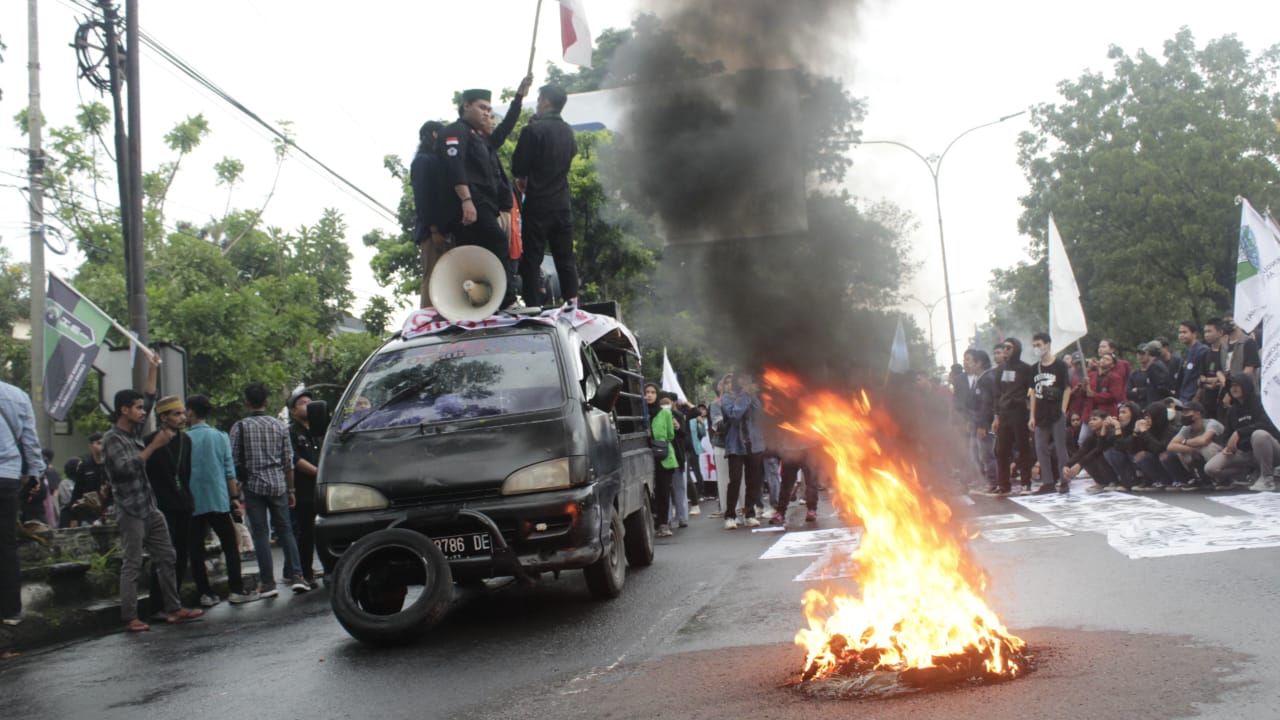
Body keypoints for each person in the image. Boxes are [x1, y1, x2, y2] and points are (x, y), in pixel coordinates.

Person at [101, 352, 204, 631]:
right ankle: (130, 616)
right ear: (124, 410)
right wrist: (154, 446)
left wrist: (153, 368)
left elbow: (149, 395)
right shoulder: (112, 439)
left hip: (149, 505)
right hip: (130, 508)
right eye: (136, 408)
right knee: (132, 563)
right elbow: (125, 470)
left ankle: (174, 607)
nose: (142, 411)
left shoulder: (133, 433)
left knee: (168, 556)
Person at [439, 87, 519, 309]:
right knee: (497, 242)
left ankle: (487, 301)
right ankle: (507, 300)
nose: (487, 113)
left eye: (490, 109)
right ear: (467, 106)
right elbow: (455, 167)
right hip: (472, 204)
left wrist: (519, 98)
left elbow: (505, 128)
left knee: (480, 253)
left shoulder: (482, 139)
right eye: (482, 107)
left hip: (486, 205)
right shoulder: (456, 131)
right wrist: (466, 200)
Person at [230, 383, 308, 597]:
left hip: (253, 486)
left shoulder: (240, 427)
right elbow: (288, 461)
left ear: (247, 402)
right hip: (278, 485)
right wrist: (291, 489)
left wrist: (235, 491)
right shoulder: (279, 426)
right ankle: (297, 576)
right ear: (265, 402)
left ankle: (267, 583)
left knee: (261, 534)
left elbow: (234, 461)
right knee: (285, 531)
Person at [185, 394, 259, 605]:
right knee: (230, 545)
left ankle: (205, 593)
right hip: (218, 499)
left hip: (193, 501)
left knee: (195, 549)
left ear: (190, 412)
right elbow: (229, 471)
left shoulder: (184, 439)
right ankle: (236, 590)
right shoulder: (220, 436)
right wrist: (234, 498)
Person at [511, 84, 580, 308]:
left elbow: (518, 166)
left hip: (538, 204)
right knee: (565, 258)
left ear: (547, 102)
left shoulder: (532, 130)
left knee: (532, 257)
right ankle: (572, 302)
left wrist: (524, 177)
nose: (538, 104)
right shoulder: (569, 131)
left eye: (540, 99)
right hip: (562, 204)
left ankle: (532, 306)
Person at [144, 396, 213, 609]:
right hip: (161, 506)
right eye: (177, 414)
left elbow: (185, 473)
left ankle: (175, 600)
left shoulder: (186, 441)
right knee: (164, 556)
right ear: (163, 417)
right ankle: (158, 604)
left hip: (184, 503)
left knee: (182, 553)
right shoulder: (149, 441)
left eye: (183, 413)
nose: (183, 417)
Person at [1, 379, 46, 626]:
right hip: (8, 476)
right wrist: (35, 474)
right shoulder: (17, 395)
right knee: (6, 544)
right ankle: (11, 610)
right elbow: (30, 440)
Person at [1205, 372, 1280, 491]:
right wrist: (1227, 447)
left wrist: (1239, 432)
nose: (1234, 388)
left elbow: (1268, 425)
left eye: (1237, 385)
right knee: (1211, 468)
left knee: (1259, 435)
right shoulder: (1232, 410)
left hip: (1270, 449)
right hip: (1245, 452)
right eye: (1231, 385)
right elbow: (1226, 436)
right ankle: (1245, 476)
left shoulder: (1262, 402)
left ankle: (1267, 479)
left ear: (1246, 386)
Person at [986, 338, 1034, 496]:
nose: (1005, 350)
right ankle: (1004, 485)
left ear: (1016, 349)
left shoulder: (1026, 369)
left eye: (1009, 348)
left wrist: (1029, 409)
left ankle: (1026, 483)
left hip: (1019, 412)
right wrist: (996, 416)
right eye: (1004, 348)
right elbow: (997, 394)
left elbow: (1031, 391)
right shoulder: (1000, 370)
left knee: (1023, 448)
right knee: (1001, 450)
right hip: (1004, 414)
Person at [411, 120, 449, 308]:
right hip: (431, 233)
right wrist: (434, 229)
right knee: (433, 278)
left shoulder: (434, 160)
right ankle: (427, 321)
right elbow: (423, 198)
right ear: (434, 134)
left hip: (442, 231)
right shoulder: (423, 161)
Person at [1029, 332, 1072, 494]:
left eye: (1039, 344)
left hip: (1056, 411)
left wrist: (1063, 409)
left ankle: (1064, 480)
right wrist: (1031, 416)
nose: (1036, 348)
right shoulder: (1034, 368)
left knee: (1061, 448)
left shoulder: (1060, 365)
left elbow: (1067, 389)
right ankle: (1047, 481)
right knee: (1040, 447)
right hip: (1041, 413)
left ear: (1047, 344)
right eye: (1034, 345)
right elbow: (1032, 392)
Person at [288, 388, 322, 587]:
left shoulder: (319, 430)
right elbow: (295, 459)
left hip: (322, 489)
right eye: (302, 403)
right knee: (306, 533)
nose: (308, 405)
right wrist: (319, 471)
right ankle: (306, 573)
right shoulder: (291, 432)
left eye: (310, 401)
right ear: (293, 411)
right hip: (304, 489)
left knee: (324, 531)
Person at [721, 374, 765, 528]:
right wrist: (745, 395)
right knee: (735, 480)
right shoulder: (728, 397)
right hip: (736, 445)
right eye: (742, 379)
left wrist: (751, 395)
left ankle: (749, 513)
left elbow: (759, 412)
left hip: (754, 444)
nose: (745, 382)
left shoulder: (752, 396)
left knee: (753, 481)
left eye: (748, 379)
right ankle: (730, 516)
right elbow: (734, 414)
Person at [1161, 400, 1224, 491]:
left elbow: (1204, 440)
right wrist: (1193, 449)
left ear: (1197, 414)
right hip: (1201, 455)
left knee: (1207, 448)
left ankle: (1222, 479)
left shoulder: (1211, 423)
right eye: (1182, 412)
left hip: (1223, 455)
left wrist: (1184, 442)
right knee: (1183, 451)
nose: (1183, 415)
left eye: (1186, 412)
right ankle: (1200, 478)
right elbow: (1170, 446)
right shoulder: (1187, 427)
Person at [645, 384, 677, 537]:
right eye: (646, 392)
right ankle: (652, 522)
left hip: (663, 456)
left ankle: (663, 524)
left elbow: (670, 435)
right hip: (645, 457)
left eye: (653, 392)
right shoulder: (640, 413)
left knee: (663, 491)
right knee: (648, 493)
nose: (650, 395)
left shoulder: (664, 413)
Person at [1063, 410, 1120, 494]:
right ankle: (1102, 482)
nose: (1090, 422)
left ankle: (1114, 481)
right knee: (1086, 457)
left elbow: (1098, 449)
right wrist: (1067, 465)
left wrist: (1079, 465)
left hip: (1119, 465)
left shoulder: (1111, 432)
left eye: (1095, 419)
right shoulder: (1092, 435)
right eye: (1090, 420)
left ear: (1105, 420)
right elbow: (1081, 452)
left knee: (1097, 455)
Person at [68, 432, 107, 527]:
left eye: (102, 443)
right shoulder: (84, 466)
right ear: (90, 446)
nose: (101, 446)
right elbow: (77, 491)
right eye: (98, 443)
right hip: (89, 513)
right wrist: (73, 517)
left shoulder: (110, 464)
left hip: (107, 511)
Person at [1196, 319, 1228, 419]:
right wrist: (1208, 383)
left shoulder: (1227, 353)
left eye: (1209, 331)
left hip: (1223, 400)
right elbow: (1200, 378)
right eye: (1205, 332)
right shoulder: (1204, 354)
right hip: (1207, 400)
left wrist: (1215, 381)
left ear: (1220, 332)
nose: (1206, 335)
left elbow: (1227, 376)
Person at [1126, 341, 1172, 408]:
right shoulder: (1134, 374)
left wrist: (1139, 391)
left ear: (1148, 352)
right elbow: (1128, 393)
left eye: (1143, 353)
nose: (1141, 356)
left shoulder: (1155, 366)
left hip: (1156, 405)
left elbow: (1160, 387)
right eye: (1139, 353)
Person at [1173, 321, 1209, 403]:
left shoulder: (1202, 351)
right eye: (1180, 332)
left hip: (1194, 399)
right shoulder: (1186, 353)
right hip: (1183, 398)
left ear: (1194, 334)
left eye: (1185, 332)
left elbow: (1203, 376)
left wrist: (1197, 397)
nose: (1181, 335)